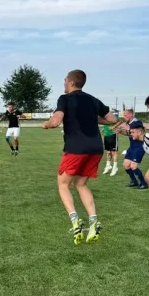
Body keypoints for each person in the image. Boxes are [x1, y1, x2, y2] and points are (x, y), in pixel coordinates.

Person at [42, 70, 117, 245]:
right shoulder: (93, 100)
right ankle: (94, 222)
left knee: (63, 184)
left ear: (71, 82)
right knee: (80, 184)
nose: (63, 83)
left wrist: (46, 124)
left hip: (76, 149)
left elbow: (55, 121)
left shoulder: (65, 99)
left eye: (65, 80)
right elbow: (112, 119)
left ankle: (75, 221)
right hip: (96, 149)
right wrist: (91, 118)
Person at [112, 109, 148, 189]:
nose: (124, 117)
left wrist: (123, 129)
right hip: (132, 147)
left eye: (125, 115)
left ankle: (143, 183)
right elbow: (129, 134)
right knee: (126, 165)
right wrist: (121, 131)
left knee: (133, 166)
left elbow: (135, 134)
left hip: (139, 147)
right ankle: (134, 181)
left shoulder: (137, 122)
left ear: (131, 115)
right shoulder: (129, 123)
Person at [102, 110, 119, 176]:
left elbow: (121, 120)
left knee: (114, 152)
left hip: (113, 135)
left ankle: (115, 167)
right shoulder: (106, 116)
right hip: (106, 135)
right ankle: (108, 166)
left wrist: (114, 127)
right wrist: (104, 129)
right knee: (108, 152)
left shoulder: (113, 115)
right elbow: (106, 124)